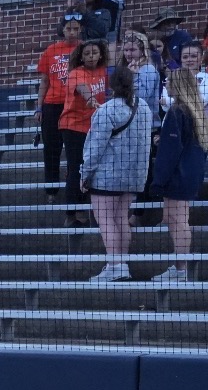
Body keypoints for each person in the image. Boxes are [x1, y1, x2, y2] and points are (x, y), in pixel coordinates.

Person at [82, 64, 155, 283]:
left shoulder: (106, 110)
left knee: (105, 220)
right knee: (121, 219)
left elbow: (95, 147)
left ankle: (115, 265)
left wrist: (84, 174)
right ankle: (121, 264)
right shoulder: (143, 107)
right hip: (134, 175)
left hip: (107, 175)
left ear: (111, 85)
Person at [151, 65, 206, 284]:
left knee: (178, 220)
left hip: (179, 174)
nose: (166, 85)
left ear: (178, 85)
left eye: (169, 81)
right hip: (191, 172)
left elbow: (171, 151)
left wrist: (159, 180)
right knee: (178, 220)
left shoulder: (177, 111)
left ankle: (180, 268)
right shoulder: (196, 111)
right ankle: (179, 267)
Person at [34, 17, 86, 202]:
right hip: (52, 104)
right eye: (68, 28)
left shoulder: (84, 50)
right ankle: (51, 189)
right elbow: (44, 81)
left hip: (76, 105)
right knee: (51, 148)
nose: (72, 32)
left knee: (76, 149)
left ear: (80, 30)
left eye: (75, 28)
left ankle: (75, 185)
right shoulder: (51, 50)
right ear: (62, 30)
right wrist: (38, 108)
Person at [61, 40, 111, 226]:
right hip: (73, 126)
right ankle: (72, 213)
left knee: (92, 168)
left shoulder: (102, 71)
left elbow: (106, 93)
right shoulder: (76, 73)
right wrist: (90, 99)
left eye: (94, 53)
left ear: (100, 55)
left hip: (94, 126)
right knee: (77, 168)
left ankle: (89, 209)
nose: (91, 56)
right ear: (81, 56)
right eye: (87, 53)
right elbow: (82, 88)